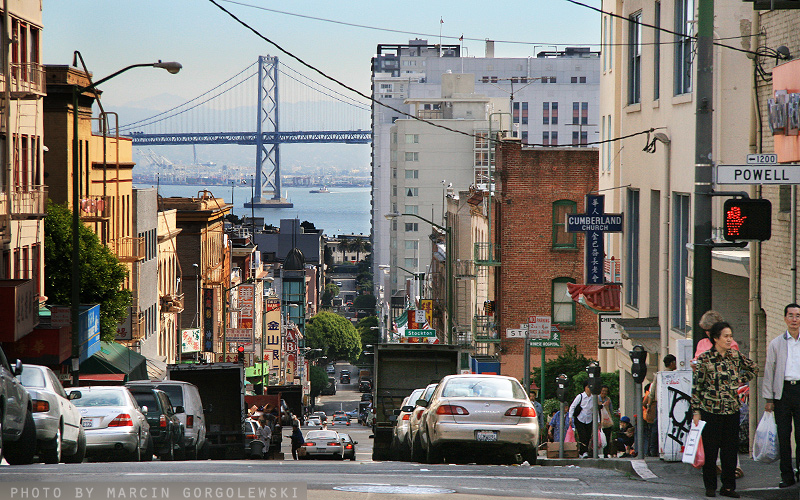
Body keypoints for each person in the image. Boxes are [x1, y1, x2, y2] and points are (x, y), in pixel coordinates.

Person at [693, 321, 756, 498]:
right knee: (711, 450)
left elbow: (753, 368)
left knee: (729, 451)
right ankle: (710, 486)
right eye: (726, 336)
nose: (730, 340)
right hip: (710, 409)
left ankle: (728, 487)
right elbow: (697, 386)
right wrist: (696, 411)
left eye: (731, 336)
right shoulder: (705, 358)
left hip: (731, 409)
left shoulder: (735, 356)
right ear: (715, 338)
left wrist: (740, 378)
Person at [762, 303, 800, 489]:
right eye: (791, 315)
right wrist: (769, 399)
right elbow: (769, 370)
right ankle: (787, 475)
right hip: (783, 393)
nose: (794, 319)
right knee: (784, 436)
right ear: (785, 318)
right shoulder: (776, 343)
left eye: (798, 316)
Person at [568, 381, 594, 458]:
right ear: (585, 387)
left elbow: (595, 410)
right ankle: (584, 452)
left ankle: (583, 452)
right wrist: (570, 417)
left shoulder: (593, 397)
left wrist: (598, 421)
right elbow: (572, 406)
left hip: (589, 419)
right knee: (582, 436)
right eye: (589, 387)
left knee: (588, 436)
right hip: (580, 419)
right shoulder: (580, 396)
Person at [598, 385, 615, 458]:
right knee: (597, 437)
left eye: (606, 391)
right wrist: (603, 405)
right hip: (599, 421)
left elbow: (611, 410)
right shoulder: (596, 398)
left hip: (606, 421)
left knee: (607, 437)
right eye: (603, 390)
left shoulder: (608, 399)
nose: (604, 392)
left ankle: (606, 453)